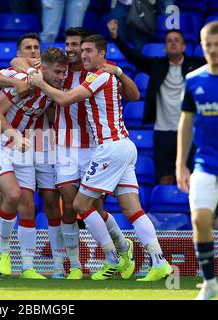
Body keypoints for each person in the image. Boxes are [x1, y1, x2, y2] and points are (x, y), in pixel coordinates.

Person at [30, 34, 173, 281]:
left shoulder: (98, 77)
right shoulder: (108, 76)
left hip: (109, 148)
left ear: (102, 54)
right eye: (81, 50)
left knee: (80, 205)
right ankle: (159, 261)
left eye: (88, 51)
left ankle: (112, 258)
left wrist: (40, 83)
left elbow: (64, 99)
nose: (83, 55)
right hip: (123, 145)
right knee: (132, 209)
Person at [13, 28, 136, 280]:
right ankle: (75, 266)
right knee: (69, 204)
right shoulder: (61, 68)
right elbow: (17, 61)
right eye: (68, 44)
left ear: (85, 47)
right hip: (65, 147)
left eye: (75, 45)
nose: (71, 50)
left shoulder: (101, 70)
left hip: (95, 146)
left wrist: (120, 73)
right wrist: (28, 71)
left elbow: (133, 96)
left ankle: (121, 248)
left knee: (92, 206)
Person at [0, 48, 68, 279]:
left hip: (23, 147)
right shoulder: (20, 81)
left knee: (26, 204)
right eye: (57, 72)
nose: (61, 77)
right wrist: (14, 136)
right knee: (13, 194)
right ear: (43, 69)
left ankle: (27, 267)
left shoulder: (52, 87)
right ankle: (0, 256)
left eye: (63, 72)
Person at [176, 21, 218, 300]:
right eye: (207, 45)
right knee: (200, 217)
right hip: (205, 163)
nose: (212, 50)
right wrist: (180, 164)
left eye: (217, 44)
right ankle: (210, 282)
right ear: (201, 45)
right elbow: (186, 122)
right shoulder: (193, 79)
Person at [107, 20, 205, 184]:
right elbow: (134, 58)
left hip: (189, 131)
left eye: (176, 40)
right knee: (164, 177)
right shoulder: (157, 65)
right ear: (165, 47)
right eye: (169, 41)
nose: (172, 43)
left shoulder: (195, 65)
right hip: (163, 132)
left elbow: (216, 59)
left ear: (184, 47)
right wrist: (116, 37)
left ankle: (190, 210)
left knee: (192, 178)